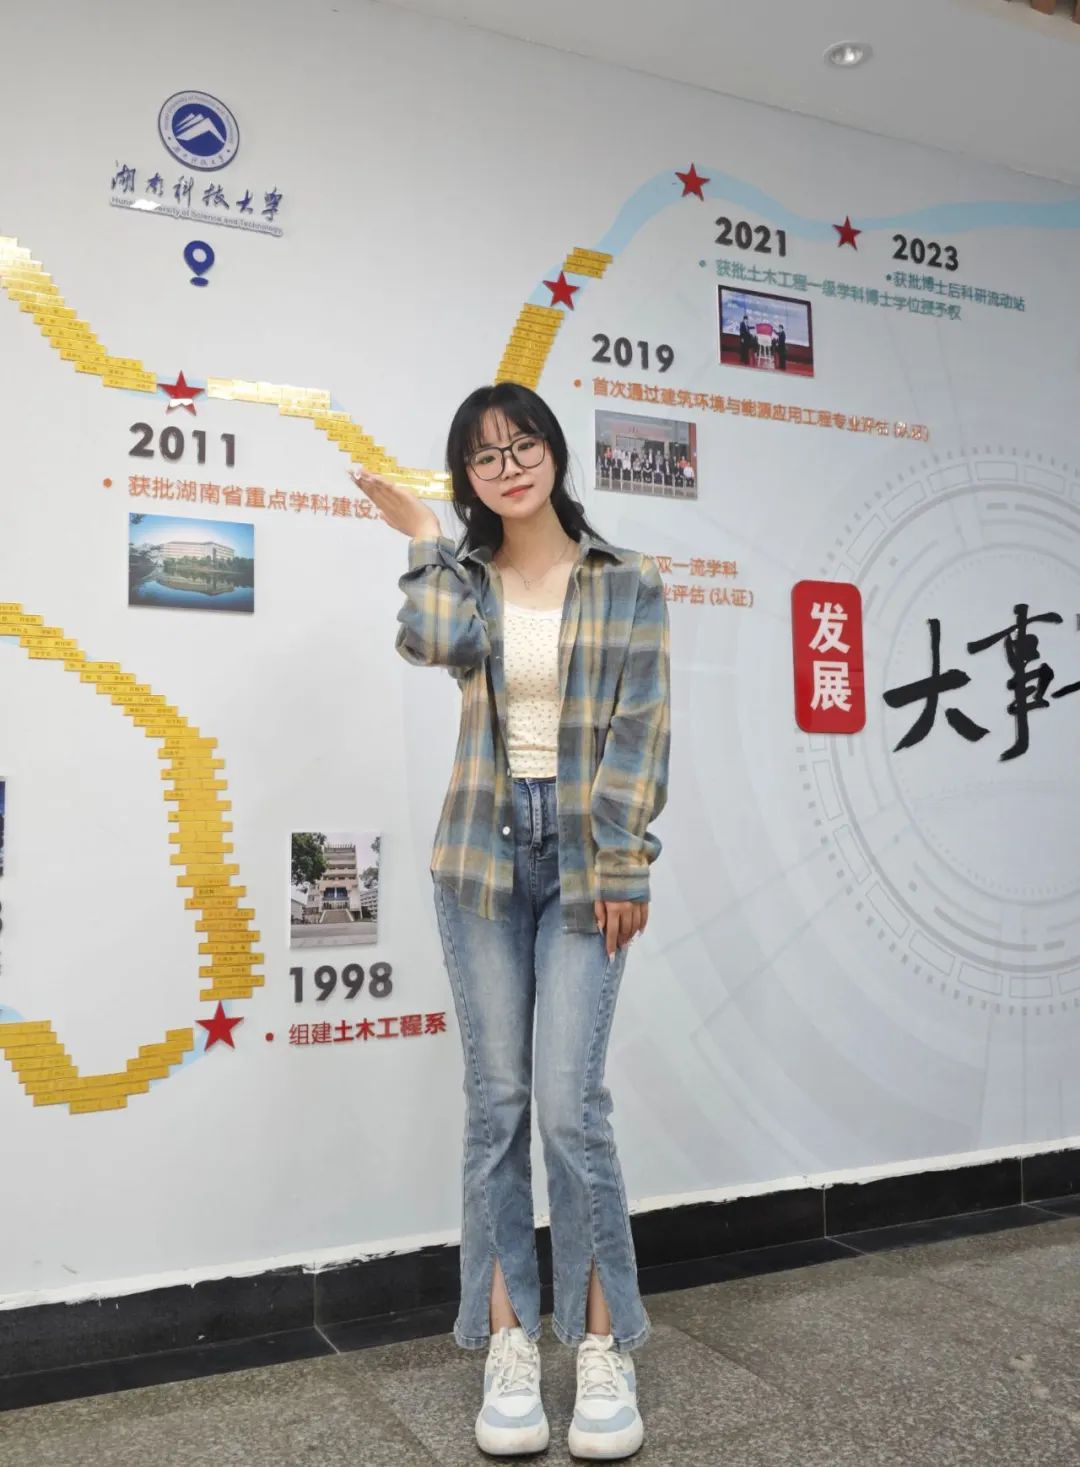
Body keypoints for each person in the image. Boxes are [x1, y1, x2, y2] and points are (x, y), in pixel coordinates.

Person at [350, 381, 670, 1462]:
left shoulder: (627, 581)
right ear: (468, 478)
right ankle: (507, 1340)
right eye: (484, 456)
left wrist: (620, 859)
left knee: (571, 1108)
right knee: (497, 1107)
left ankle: (601, 1344)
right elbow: (430, 643)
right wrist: (426, 536)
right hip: (481, 858)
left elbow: (640, 731)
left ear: (554, 452)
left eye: (522, 444)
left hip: (586, 858)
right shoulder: (469, 579)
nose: (509, 467)